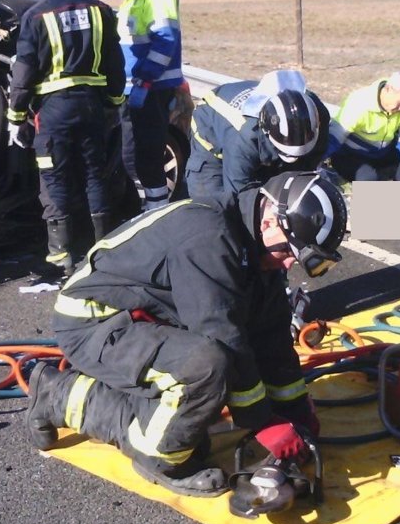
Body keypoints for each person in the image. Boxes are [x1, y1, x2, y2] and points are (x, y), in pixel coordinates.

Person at [25, 171, 347, 496]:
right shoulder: (209, 237)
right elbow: (223, 336)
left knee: (195, 416)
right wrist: (263, 422)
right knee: (205, 370)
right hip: (96, 322)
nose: (290, 265)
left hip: (144, 318)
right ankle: (152, 454)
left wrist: (294, 410)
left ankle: (73, 393)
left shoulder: (257, 248)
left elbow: (271, 335)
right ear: (269, 223)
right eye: (290, 252)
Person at [8, 0, 125, 277]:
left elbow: (23, 73)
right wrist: (113, 104)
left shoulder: (34, 17)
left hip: (53, 113)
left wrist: (16, 117)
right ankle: (103, 257)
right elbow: (115, 66)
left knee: (55, 182)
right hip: (92, 109)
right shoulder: (100, 10)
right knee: (94, 177)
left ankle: (63, 262)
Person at [110, 0, 183, 211]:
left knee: (147, 158)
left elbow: (166, 38)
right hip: (135, 88)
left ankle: (156, 214)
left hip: (151, 88)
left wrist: (145, 81)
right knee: (135, 157)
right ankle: (149, 210)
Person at [185, 69, 330, 202]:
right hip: (211, 131)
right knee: (216, 211)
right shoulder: (244, 138)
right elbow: (238, 196)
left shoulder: (318, 114)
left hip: (257, 142)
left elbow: (307, 169)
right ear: (267, 132)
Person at [326, 71, 400, 183]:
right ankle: (392, 197)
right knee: (368, 179)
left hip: (383, 152)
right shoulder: (359, 102)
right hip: (352, 156)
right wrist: (314, 162)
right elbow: (334, 136)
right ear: (388, 90)